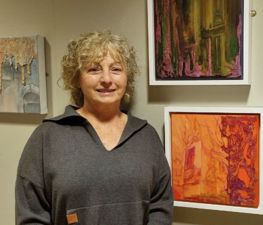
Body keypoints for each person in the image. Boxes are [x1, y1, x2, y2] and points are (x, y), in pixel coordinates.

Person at [15, 31, 173, 225]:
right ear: (76, 79)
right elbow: (31, 216)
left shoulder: (146, 136)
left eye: (116, 69)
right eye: (94, 70)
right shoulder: (46, 137)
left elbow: (160, 207)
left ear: (127, 78)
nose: (106, 79)